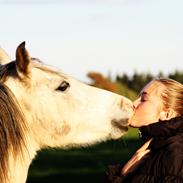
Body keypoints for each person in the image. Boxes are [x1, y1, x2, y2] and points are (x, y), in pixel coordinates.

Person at [104, 78, 183, 183]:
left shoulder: (175, 154)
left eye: (143, 99)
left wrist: (123, 175)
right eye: (138, 97)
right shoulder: (159, 145)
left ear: (166, 114)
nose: (133, 104)